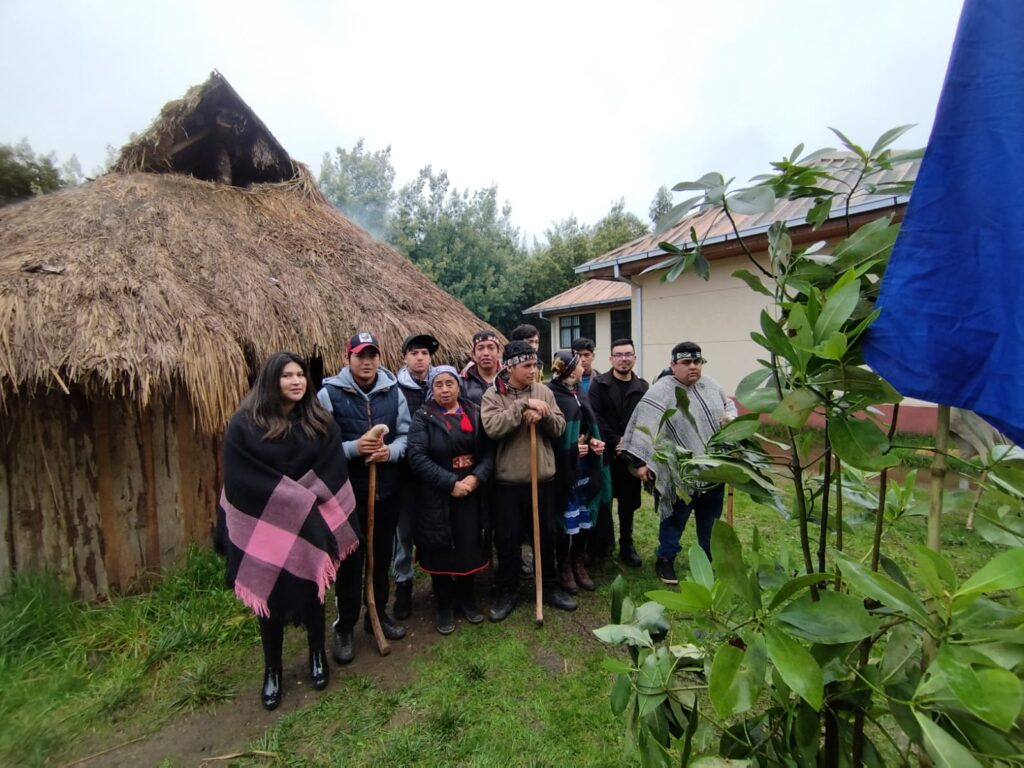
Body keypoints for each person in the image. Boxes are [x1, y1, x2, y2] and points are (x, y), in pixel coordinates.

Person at [217, 352, 360, 710]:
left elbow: (332, 467)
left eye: (300, 375)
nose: (297, 382)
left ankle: (316, 654)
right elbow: (240, 477)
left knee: (313, 591)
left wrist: (301, 504)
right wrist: (290, 501)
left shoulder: (319, 421)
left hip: (311, 521)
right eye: (287, 376)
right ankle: (273, 670)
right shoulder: (244, 425)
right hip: (266, 524)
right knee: (269, 599)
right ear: (270, 381)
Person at [317, 332, 411, 664]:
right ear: (348, 359)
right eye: (360, 355)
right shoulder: (328, 395)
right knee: (349, 561)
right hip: (346, 495)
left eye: (372, 355)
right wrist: (354, 449)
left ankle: (378, 612)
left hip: (385, 490)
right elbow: (319, 446)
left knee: (381, 555)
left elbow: (405, 435)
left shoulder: (393, 391)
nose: (367, 361)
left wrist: (390, 452)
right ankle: (345, 625)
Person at [619, 342, 737, 585]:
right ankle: (665, 559)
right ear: (673, 365)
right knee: (674, 519)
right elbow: (643, 428)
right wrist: (642, 463)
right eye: (686, 362)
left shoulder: (712, 386)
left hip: (713, 469)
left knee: (711, 520)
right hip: (677, 472)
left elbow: (729, 407)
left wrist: (731, 420)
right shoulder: (660, 392)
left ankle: (707, 560)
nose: (693, 367)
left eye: (697, 362)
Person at [481, 340, 575, 620]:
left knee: (546, 536)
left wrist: (543, 414)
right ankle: (507, 590)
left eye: (535, 365)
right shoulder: (493, 395)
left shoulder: (544, 391)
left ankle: (549, 587)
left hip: (542, 478)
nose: (533, 370)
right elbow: (492, 428)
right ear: (510, 367)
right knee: (508, 540)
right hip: (509, 482)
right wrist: (522, 406)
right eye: (527, 366)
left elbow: (559, 428)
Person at [406, 365, 494, 634]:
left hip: (471, 492)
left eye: (450, 384)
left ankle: (467, 598)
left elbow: (490, 452)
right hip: (438, 494)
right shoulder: (423, 417)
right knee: (441, 547)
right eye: (438, 385)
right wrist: (450, 483)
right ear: (431, 389)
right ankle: (444, 604)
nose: (445, 390)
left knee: (469, 544)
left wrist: (476, 478)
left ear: (459, 385)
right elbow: (417, 457)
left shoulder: (475, 412)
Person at [547, 351, 607, 593]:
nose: (583, 366)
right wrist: (571, 449)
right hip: (565, 469)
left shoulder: (579, 391)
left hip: (585, 466)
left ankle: (578, 562)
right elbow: (553, 435)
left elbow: (586, 424)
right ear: (571, 369)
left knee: (583, 517)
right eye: (579, 364)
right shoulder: (553, 394)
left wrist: (592, 441)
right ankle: (564, 567)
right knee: (566, 516)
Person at [588, 338, 649, 567]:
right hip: (604, 453)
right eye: (619, 355)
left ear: (634, 357)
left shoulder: (642, 387)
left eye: (628, 354)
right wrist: (616, 440)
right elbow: (595, 414)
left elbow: (646, 419)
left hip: (631, 456)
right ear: (611, 358)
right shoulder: (599, 384)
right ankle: (601, 547)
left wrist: (631, 444)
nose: (624, 359)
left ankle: (627, 545)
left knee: (628, 503)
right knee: (602, 501)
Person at [393, 333, 439, 620]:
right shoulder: (396, 389)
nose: (420, 357)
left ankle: (439, 577)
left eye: (424, 352)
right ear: (405, 357)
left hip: (436, 471)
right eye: (414, 353)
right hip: (406, 472)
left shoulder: (442, 385)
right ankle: (403, 583)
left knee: (434, 525)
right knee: (404, 530)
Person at [461, 330, 502, 406]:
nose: (486, 353)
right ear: (473, 355)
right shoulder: (462, 382)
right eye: (480, 348)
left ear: (499, 353)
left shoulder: (510, 378)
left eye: (491, 348)